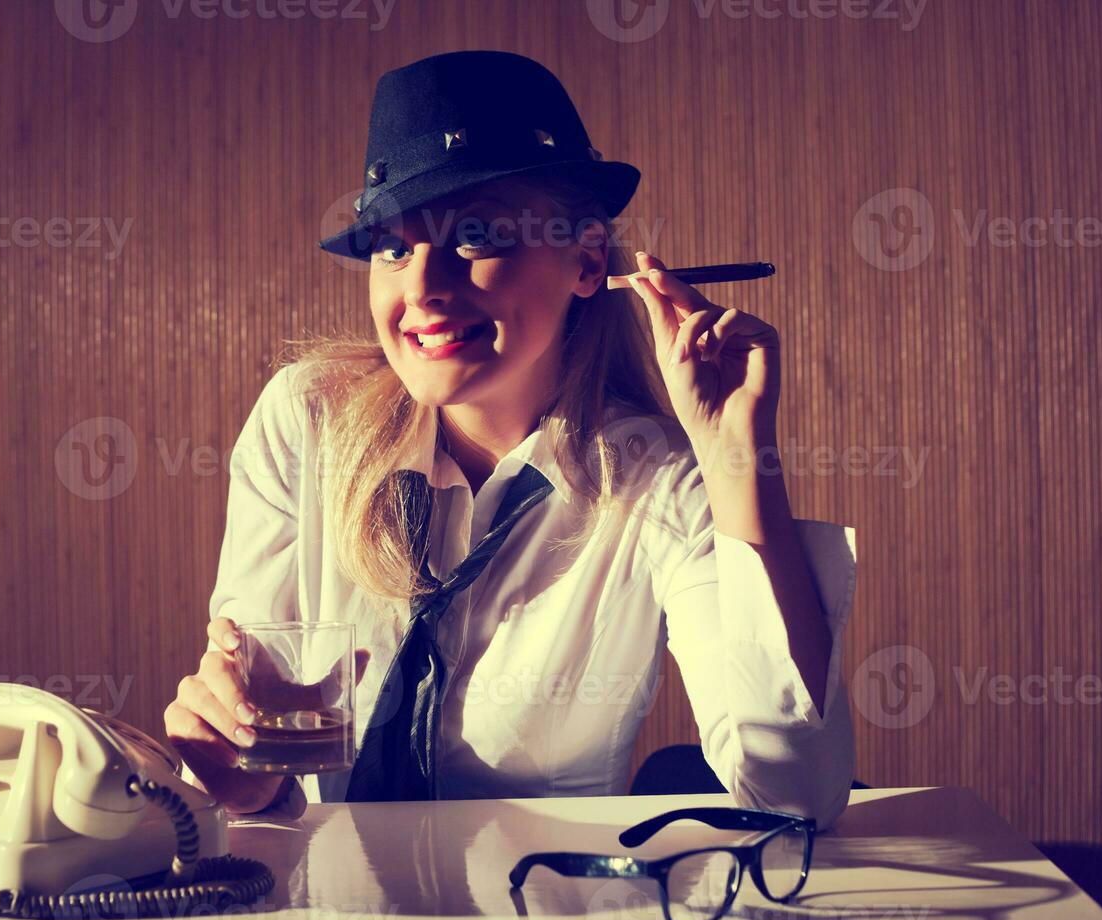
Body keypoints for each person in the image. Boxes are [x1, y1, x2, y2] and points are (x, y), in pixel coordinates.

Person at [163, 50, 858, 830]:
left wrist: (737, 461)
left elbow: (796, 797)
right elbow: (255, 731)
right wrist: (244, 765)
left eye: (474, 236)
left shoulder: (656, 479)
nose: (420, 289)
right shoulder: (305, 421)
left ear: (588, 260)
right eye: (392, 247)